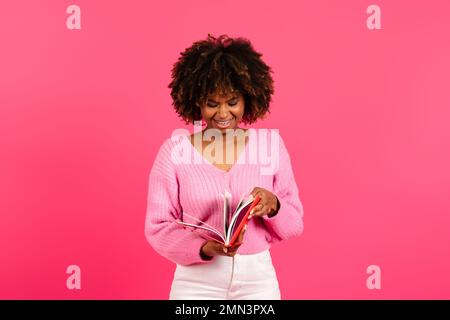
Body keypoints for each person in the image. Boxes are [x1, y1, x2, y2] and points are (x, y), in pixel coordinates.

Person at [145, 34, 304, 300]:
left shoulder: (271, 146)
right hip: (196, 281)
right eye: (212, 103)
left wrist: (273, 205)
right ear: (196, 101)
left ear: (248, 98)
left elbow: (294, 224)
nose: (222, 113)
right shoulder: (174, 152)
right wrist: (205, 247)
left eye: (232, 102)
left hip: (258, 281)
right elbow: (158, 226)